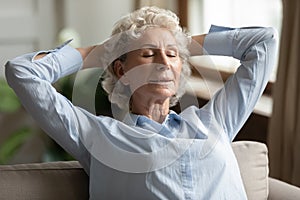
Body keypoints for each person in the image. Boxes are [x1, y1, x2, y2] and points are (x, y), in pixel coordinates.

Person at [5, 6, 277, 200]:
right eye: (148, 54)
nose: (164, 61)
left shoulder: (214, 121)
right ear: (122, 72)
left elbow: (264, 43)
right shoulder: (98, 136)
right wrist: (100, 53)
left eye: (172, 55)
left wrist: (179, 42)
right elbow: (22, 72)